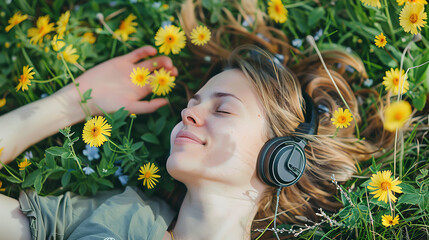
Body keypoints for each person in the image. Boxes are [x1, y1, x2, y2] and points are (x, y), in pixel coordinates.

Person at [0, 42, 393, 240]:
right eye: (192, 104)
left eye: (222, 110)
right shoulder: (124, 215)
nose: (188, 114)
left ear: (282, 157)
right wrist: (68, 103)